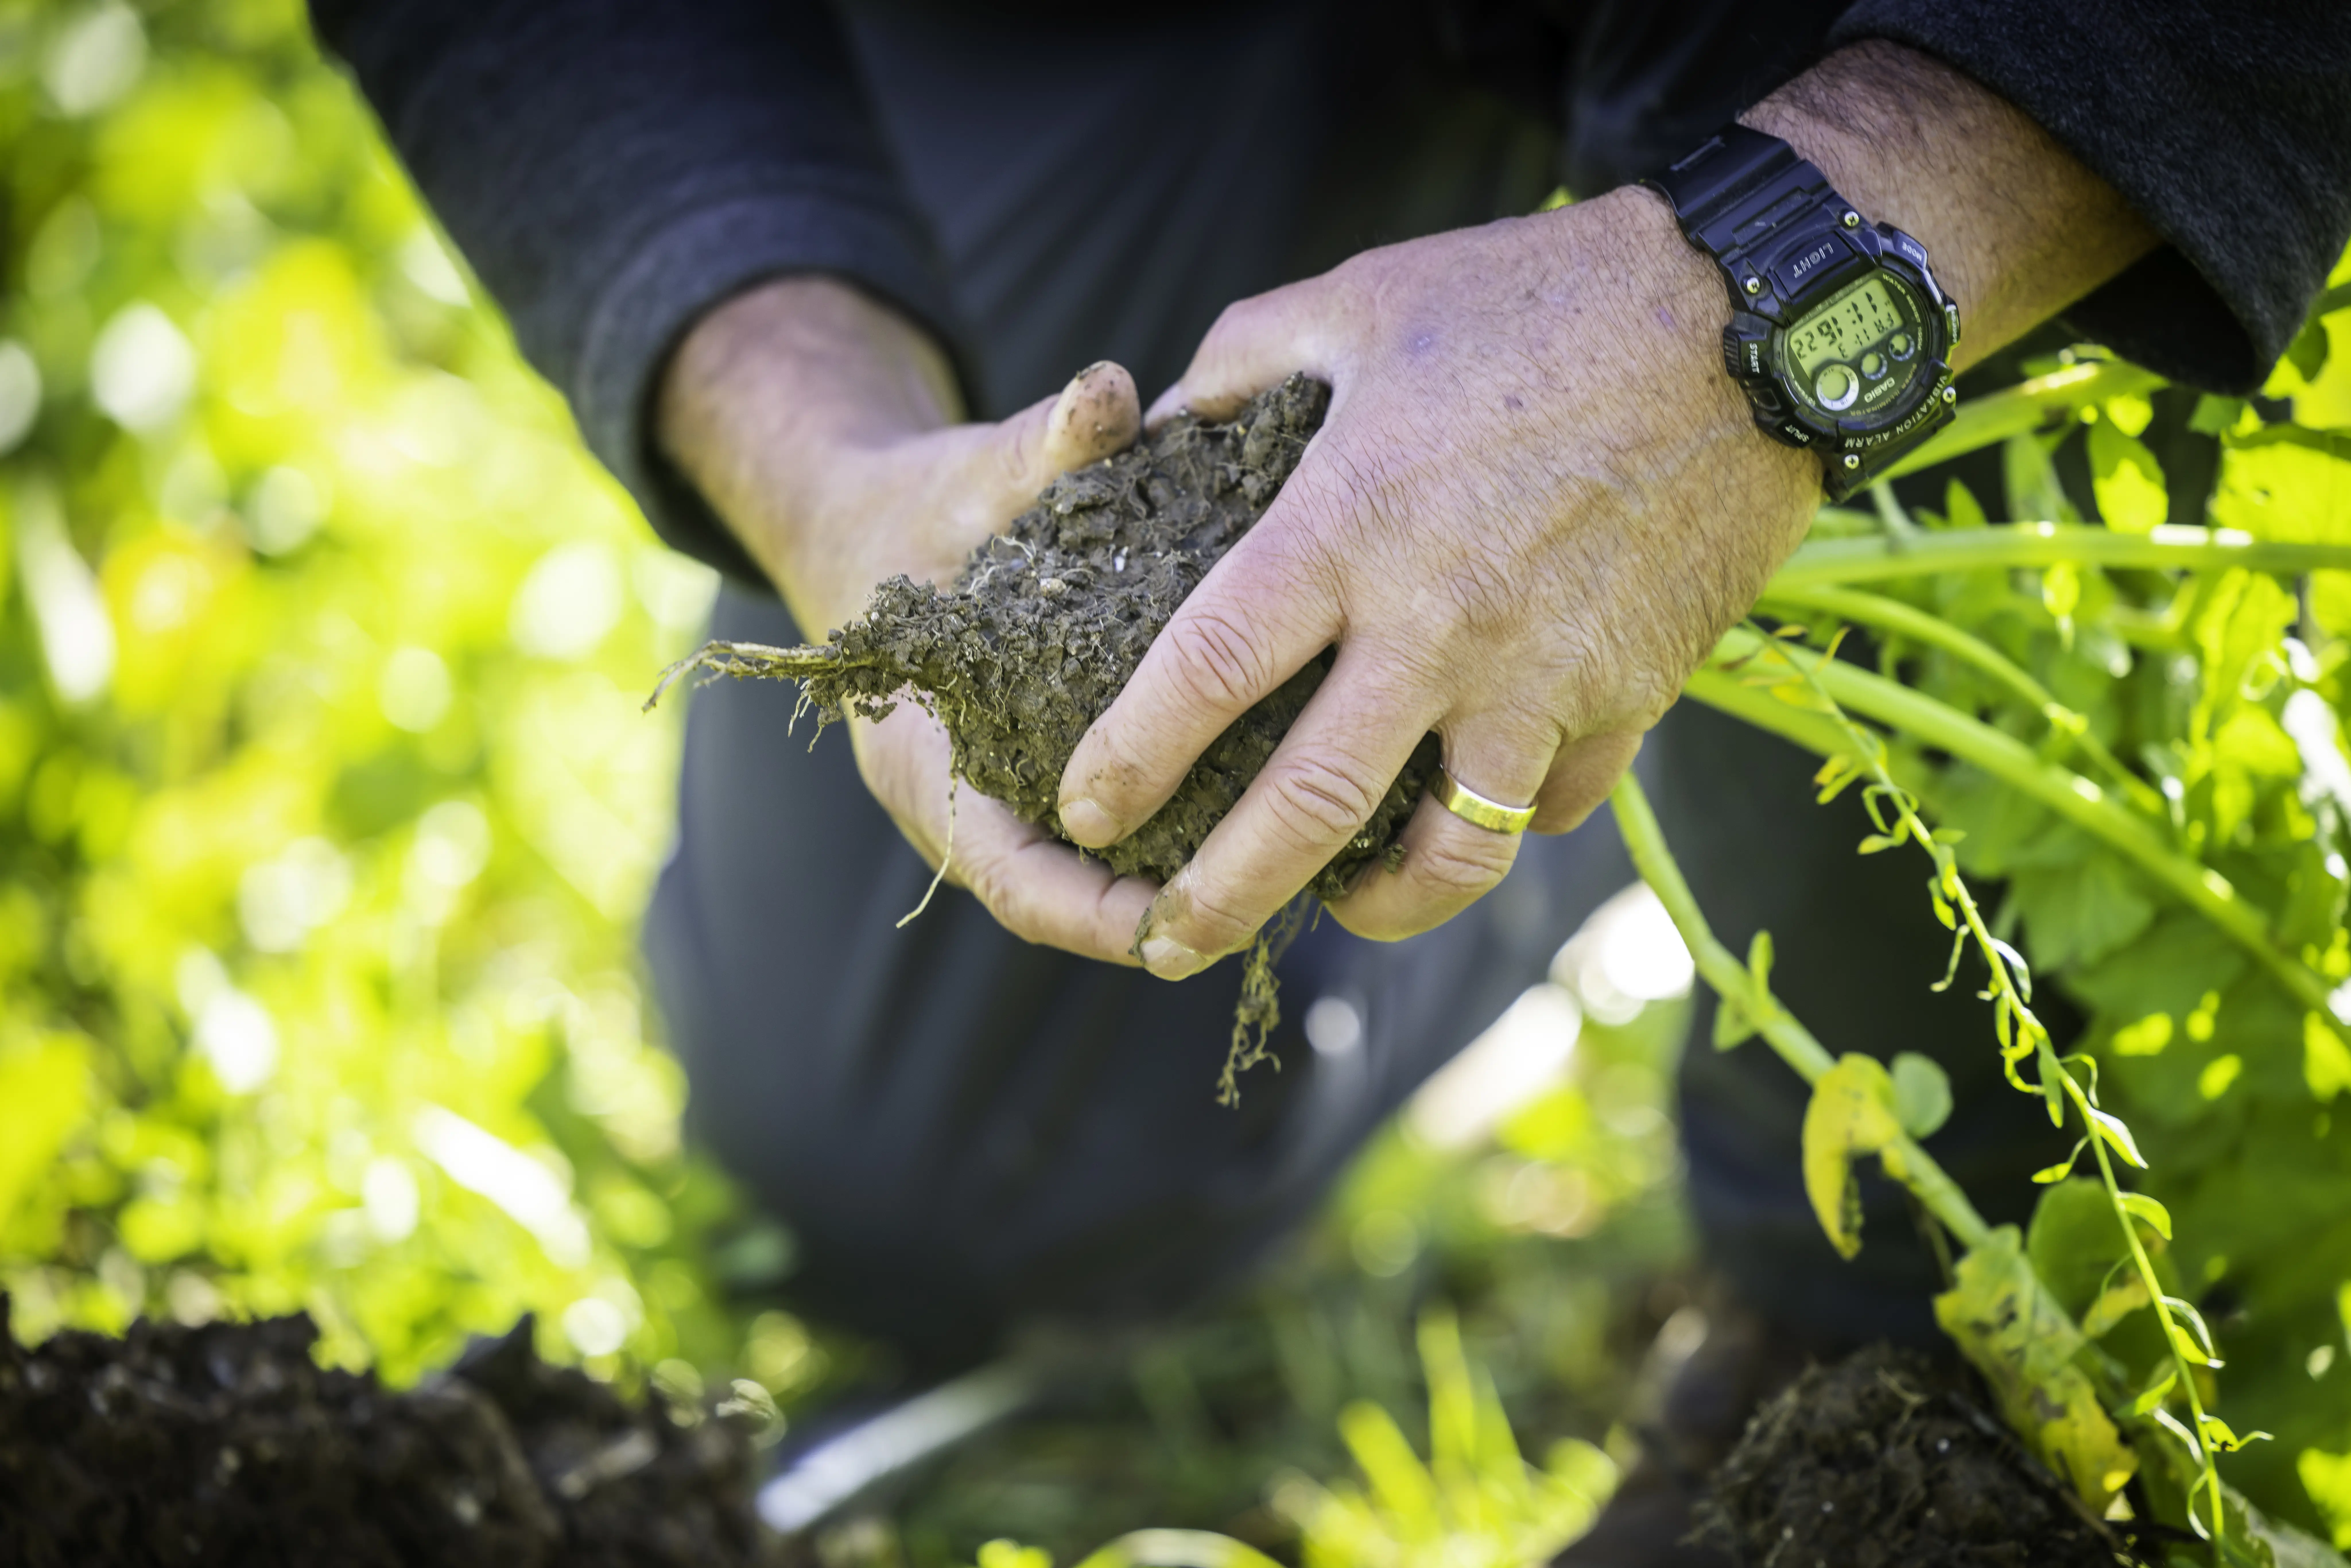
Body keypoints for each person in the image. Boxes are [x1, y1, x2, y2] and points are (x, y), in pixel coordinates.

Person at [313, 1, 2351, 1558]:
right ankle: (1500, 696)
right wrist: (836, 465)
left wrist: (1763, 292)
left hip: (1842, 42)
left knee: (1951, 1167)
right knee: (950, 1153)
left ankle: (1857, 1301)